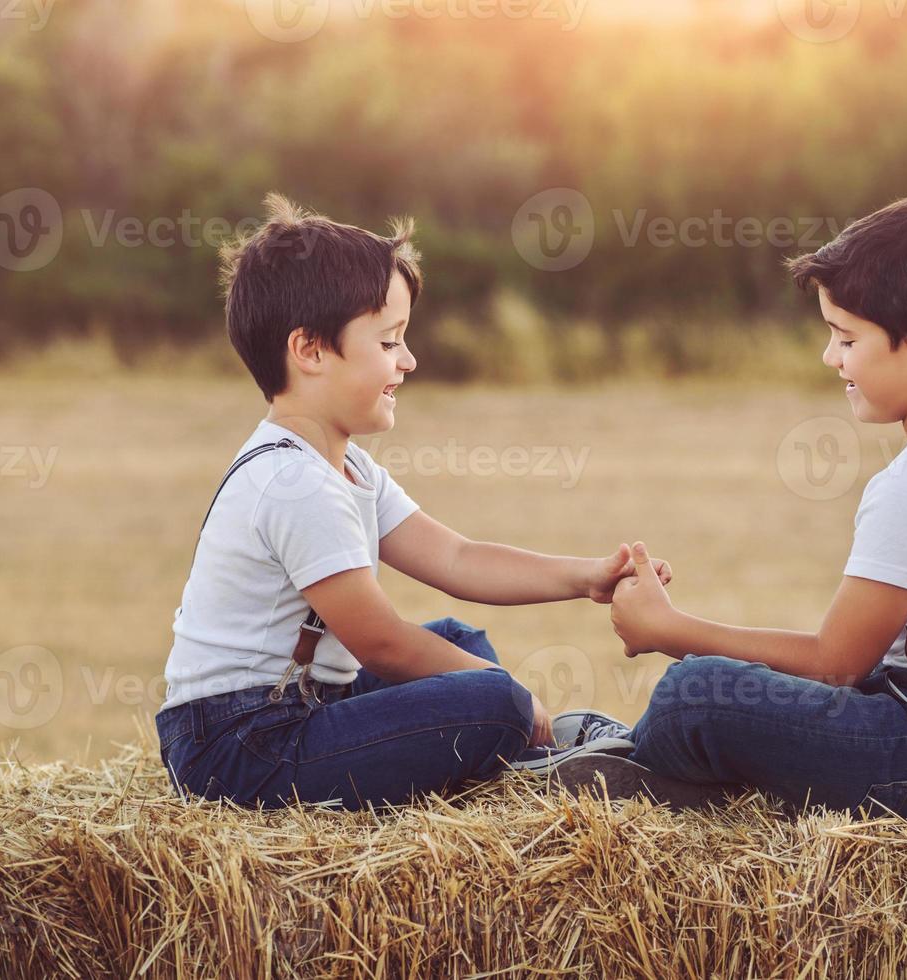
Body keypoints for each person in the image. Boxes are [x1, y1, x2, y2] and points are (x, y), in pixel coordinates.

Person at [566, 192, 907, 821]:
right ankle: (639, 753)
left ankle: (635, 766)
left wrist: (669, 631)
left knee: (696, 691)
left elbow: (835, 665)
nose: (830, 357)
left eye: (846, 339)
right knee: (748, 688)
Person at [153, 194, 667, 811]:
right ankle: (533, 758)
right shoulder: (293, 484)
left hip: (301, 707)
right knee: (490, 695)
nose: (409, 360)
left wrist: (585, 576)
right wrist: (511, 696)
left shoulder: (343, 468)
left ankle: (528, 761)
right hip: (240, 749)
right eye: (390, 342)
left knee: (458, 639)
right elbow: (384, 645)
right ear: (310, 351)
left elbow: (457, 556)